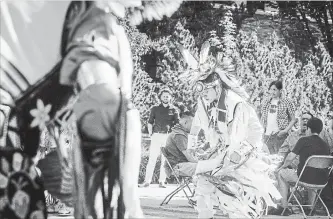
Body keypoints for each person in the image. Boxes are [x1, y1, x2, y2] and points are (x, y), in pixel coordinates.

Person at [179, 41, 282, 218]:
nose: (203, 95)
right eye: (201, 93)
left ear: (217, 86)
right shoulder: (205, 103)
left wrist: (242, 151)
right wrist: (193, 147)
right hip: (219, 154)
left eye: (205, 91)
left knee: (233, 202)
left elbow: (255, 132)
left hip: (239, 156)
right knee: (203, 188)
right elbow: (195, 127)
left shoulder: (236, 105)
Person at [274, 117, 330, 215]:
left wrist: (282, 167)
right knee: (314, 174)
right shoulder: (325, 145)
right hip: (322, 181)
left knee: (281, 173)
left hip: (304, 178)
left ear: (308, 129)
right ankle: (310, 208)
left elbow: (290, 157)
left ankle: (284, 207)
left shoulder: (303, 140)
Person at [140, 88, 179, 188]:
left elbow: (177, 125)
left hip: (167, 137)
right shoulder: (155, 108)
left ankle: (162, 181)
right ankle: (147, 181)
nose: (166, 97)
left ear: (170, 97)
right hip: (156, 135)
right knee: (152, 158)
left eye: (167, 96)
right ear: (161, 97)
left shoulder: (174, 110)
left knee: (165, 159)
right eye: (164, 96)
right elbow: (150, 122)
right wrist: (150, 134)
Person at [261, 81, 297, 154]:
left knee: (279, 158)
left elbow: (293, 119)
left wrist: (285, 131)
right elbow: (263, 118)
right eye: (271, 89)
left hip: (280, 135)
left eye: (274, 90)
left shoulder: (287, 101)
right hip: (267, 135)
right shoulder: (266, 102)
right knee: (267, 158)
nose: (272, 92)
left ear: (280, 91)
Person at [164, 109, 198, 178]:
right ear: (186, 122)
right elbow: (190, 158)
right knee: (205, 168)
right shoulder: (179, 135)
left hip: (179, 165)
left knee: (206, 167)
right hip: (176, 168)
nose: (194, 126)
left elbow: (191, 153)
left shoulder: (179, 132)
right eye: (193, 123)